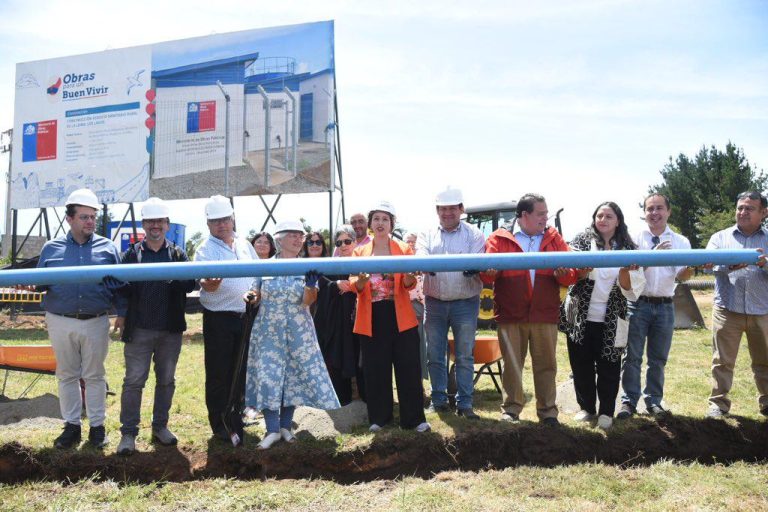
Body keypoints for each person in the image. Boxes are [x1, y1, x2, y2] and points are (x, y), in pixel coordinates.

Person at [35, 188, 123, 449]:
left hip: (96, 320)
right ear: (69, 219)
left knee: (95, 375)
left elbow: (121, 285)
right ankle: (71, 426)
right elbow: (40, 283)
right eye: (84, 217)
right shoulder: (51, 249)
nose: (90, 222)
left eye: (93, 217)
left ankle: (97, 428)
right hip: (60, 319)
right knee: (67, 375)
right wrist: (30, 285)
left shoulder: (108, 248)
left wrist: (123, 314)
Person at [482, 193, 577, 426]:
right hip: (511, 313)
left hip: (544, 313)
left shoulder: (555, 239)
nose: (546, 218)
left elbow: (572, 275)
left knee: (546, 364)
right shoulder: (498, 238)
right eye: (541, 214)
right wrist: (491, 272)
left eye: (546, 213)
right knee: (512, 364)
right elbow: (484, 273)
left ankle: (548, 413)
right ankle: (511, 410)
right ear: (525, 215)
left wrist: (564, 274)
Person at [245, 220, 340, 449]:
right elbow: (255, 292)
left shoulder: (305, 267)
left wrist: (309, 287)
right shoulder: (264, 266)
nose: (299, 240)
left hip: (299, 331)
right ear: (279, 239)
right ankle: (272, 429)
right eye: (293, 235)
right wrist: (250, 296)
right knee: (269, 376)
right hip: (268, 330)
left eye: (301, 236)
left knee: (292, 377)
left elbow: (308, 301)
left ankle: (286, 427)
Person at [114, 197, 196, 455]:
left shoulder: (178, 254)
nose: (155, 226)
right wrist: (121, 313)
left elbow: (190, 284)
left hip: (169, 331)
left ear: (167, 224)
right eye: (150, 221)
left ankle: (160, 427)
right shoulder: (132, 254)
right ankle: (128, 434)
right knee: (133, 381)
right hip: (139, 330)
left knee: (166, 381)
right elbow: (122, 288)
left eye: (159, 221)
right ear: (143, 225)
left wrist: (174, 277)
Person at [560, 201, 644, 430]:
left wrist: (625, 270)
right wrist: (582, 269)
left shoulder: (629, 249)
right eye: (599, 215)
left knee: (609, 365)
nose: (603, 220)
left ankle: (607, 410)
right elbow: (570, 275)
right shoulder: (580, 242)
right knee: (581, 364)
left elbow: (631, 291)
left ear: (618, 221)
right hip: (579, 316)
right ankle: (587, 408)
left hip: (612, 319)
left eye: (608, 216)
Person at [351, 201, 430, 433]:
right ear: (370, 224)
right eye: (376, 219)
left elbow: (409, 283)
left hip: (400, 314)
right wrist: (363, 280)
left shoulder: (404, 249)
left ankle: (414, 419)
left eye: (385, 219)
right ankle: (379, 418)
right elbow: (356, 283)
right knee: (376, 368)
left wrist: (408, 276)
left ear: (392, 224)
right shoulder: (359, 251)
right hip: (372, 315)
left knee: (408, 366)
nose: (380, 223)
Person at [618, 193, 692, 419]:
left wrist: (693, 267)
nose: (655, 213)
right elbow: (629, 274)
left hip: (665, 306)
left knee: (658, 358)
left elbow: (684, 276)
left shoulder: (681, 242)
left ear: (668, 211)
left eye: (659, 208)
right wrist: (653, 256)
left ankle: (653, 401)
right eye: (650, 209)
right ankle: (629, 402)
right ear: (644, 213)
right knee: (632, 357)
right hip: (638, 304)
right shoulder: (633, 239)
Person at [417, 188, 485, 419]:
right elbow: (422, 258)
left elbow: (474, 263)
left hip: (465, 302)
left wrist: (434, 265)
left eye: (452, 208)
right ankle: (438, 400)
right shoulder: (426, 233)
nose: (447, 213)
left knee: (465, 354)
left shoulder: (474, 234)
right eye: (443, 208)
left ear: (461, 210)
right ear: (437, 211)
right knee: (434, 354)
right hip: (434, 301)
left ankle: (465, 404)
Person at [194, 195, 257, 441]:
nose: (221, 224)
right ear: (208, 224)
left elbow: (255, 274)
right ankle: (219, 423)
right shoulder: (204, 250)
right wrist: (210, 285)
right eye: (215, 221)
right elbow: (205, 285)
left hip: (244, 316)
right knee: (219, 373)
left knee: (240, 370)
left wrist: (255, 291)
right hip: (219, 319)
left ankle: (236, 416)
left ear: (233, 219)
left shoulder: (244, 244)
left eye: (225, 219)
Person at [705, 191, 768, 418]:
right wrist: (728, 266)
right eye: (740, 207)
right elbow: (706, 265)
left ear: (764, 212)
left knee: (765, 361)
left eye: (749, 208)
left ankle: (767, 402)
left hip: (763, 310)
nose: (743, 212)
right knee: (722, 361)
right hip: (727, 309)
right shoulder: (720, 238)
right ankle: (718, 404)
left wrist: (764, 264)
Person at [315, 225, 366, 405]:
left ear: (355, 241)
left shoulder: (365, 261)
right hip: (339, 325)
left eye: (347, 241)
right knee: (338, 357)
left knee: (363, 359)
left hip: (362, 321)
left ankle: (367, 399)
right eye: (339, 242)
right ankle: (342, 400)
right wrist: (335, 284)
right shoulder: (330, 265)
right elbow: (321, 284)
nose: (343, 245)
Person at [405, 232, 428, 382]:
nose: (411, 244)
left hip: (421, 309)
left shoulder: (423, 263)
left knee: (420, 348)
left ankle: (419, 384)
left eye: (414, 242)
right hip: (404, 309)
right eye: (408, 242)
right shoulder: (402, 263)